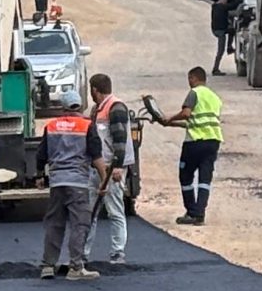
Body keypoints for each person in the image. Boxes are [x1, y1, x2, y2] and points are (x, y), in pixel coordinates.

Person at [37, 86, 106, 280]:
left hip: (57, 182)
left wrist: (40, 175)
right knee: (79, 224)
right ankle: (76, 267)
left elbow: (41, 154)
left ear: (63, 107)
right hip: (77, 183)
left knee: (54, 223)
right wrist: (104, 180)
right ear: (80, 106)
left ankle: (48, 265)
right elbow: (96, 156)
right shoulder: (86, 126)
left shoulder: (51, 126)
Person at [149, 65, 224, 225]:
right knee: (205, 179)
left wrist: (169, 119)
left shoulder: (194, 93)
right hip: (213, 141)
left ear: (193, 78)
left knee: (186, 176)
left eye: (189, 79)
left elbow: (186, 114)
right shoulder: (214, 97)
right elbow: (197, 121)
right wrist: (172, 125)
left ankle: (191, 211)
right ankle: (200, 214)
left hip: (195, 143)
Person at [87, 72, 137, 268]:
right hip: (98, 166)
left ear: (94, 90)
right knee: (89, 212)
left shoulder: (115, 108)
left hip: (111, 168)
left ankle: (117, 253)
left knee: (115, 210)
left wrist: (117, 166)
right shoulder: (97, 109)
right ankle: (82, 254)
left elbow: (120, 140)